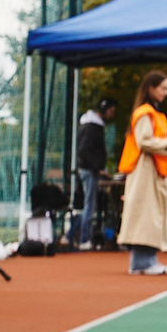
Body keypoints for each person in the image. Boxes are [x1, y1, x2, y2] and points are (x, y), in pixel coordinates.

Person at [116, 71, 167, 275]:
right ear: (151, 88)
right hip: (145, 171)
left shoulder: (155, 114)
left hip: (157, 170)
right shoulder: (144, 113)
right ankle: (142, 262)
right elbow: (145, 142)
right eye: (163, 88)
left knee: (154, 215)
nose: (166, 93)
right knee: (146, 216)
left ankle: (146, 261)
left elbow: (156, 142)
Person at [69, 98, 111, 248]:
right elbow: (84, 150)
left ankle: (77, 235)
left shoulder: (94, 127)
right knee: (89, 205)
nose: (112, 114)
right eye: (111, 111)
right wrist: (96, 168)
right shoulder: (92, 128)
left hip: (89, 169)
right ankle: (83, 238)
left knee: (89, 205)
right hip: (89, 171)